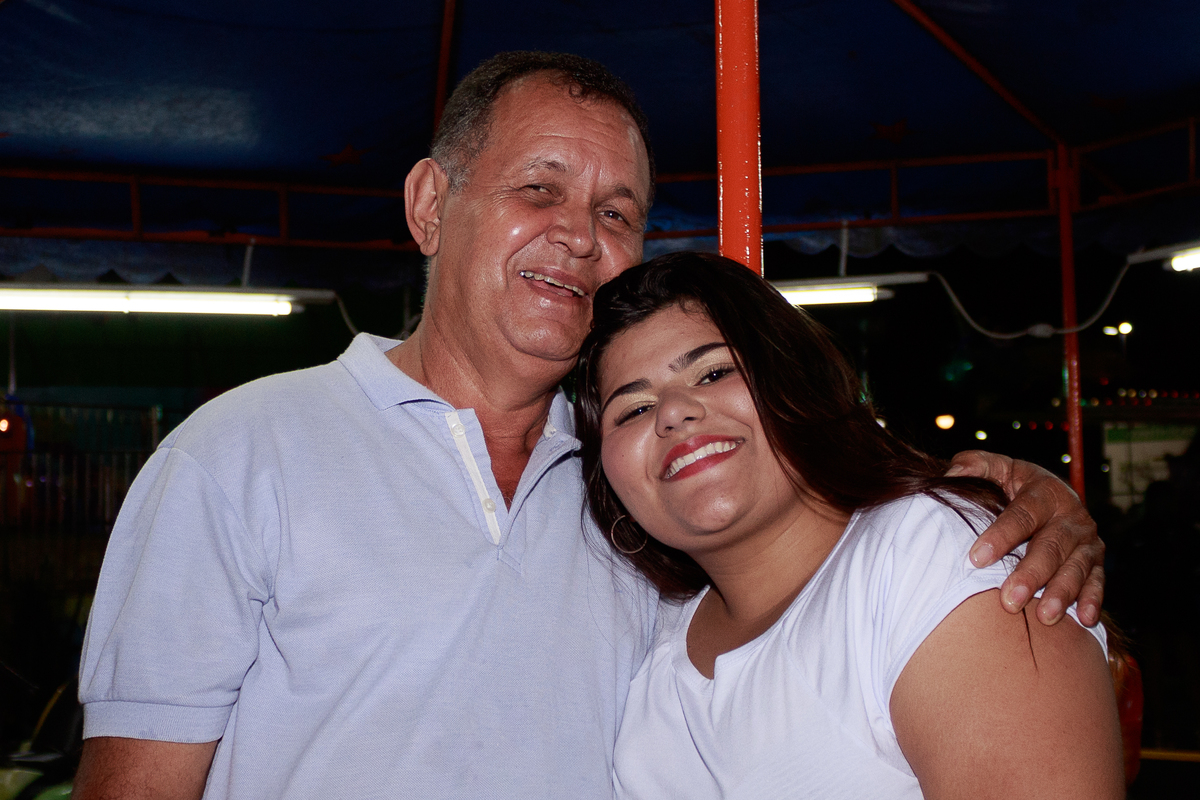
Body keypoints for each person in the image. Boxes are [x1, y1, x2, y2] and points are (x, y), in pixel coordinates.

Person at [73, 52, 1105, 799]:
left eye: (617, 213)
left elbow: (829, 563)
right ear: (431, 204)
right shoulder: (237, 454)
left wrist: (1019, 504)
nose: (578, 234)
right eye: (539, 189)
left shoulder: (640, 485)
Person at [574, 251, 1124, 799]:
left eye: (714, 372)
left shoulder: (933, 554)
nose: (673, 411)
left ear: (796, 382)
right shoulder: (644, 638)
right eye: (634, 410)